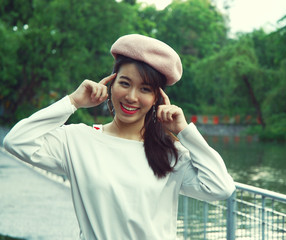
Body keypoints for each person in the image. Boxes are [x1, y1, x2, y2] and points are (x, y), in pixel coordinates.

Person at [3, 34, 236, 240]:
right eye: (125, 84)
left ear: (157, 98)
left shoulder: (169, 152)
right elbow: (17, 141)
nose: (132, 97)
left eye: (145, 89)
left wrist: (184, 131)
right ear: (111, 84)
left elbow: (220, 188)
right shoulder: (78, 140)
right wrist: (73, 102)